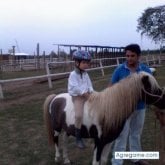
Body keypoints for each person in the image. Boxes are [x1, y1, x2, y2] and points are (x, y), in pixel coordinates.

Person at [109, 44, 151, 165]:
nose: (129, 58)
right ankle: (117, 162)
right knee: (121, 136)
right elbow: (111, 88)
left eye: (132, 56)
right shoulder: (119, 70)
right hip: (123, 110)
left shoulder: (145, 70)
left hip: (140, 107)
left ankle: (136, 158)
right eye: (127, 56)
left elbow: (151, 89)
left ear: (139, 56)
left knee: (136, 134)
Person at [68, 50, 94, 149]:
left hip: (87, 94)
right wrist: (84, 93)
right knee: (79, 115)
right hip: (78, 97)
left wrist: (91, 91)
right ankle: (78, 137)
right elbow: (75, 88)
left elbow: (89, 85)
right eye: (84, 62)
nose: (86, 65)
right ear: (77, 62)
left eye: (87, 63)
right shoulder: (73, 75)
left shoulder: (86, 74)